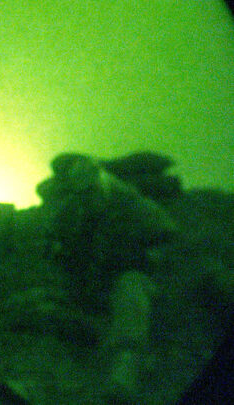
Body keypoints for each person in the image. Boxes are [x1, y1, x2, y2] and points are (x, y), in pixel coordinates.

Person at [36, 152, 179, 403]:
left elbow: (168, 238)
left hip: (127, 282)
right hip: (89, 285)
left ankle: (125, 367)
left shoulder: (135, 207)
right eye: (82, 193)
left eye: (92, 190)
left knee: (131, 287)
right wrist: (59, 252)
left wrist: (146, 257)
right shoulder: (73, 209)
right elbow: (52, 241)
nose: (88, 197)